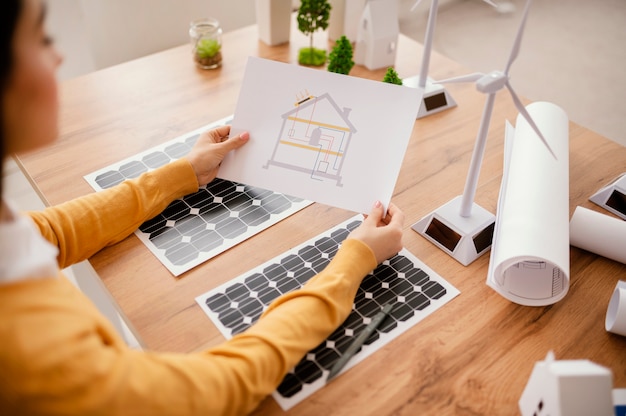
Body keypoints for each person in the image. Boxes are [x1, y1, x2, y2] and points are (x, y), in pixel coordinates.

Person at [0, 0, 405, 414]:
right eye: (40, 38)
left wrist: (184, 174)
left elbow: (50, 233)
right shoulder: (30, 353)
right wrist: (355, 261)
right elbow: (220, 388)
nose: (58, 55)